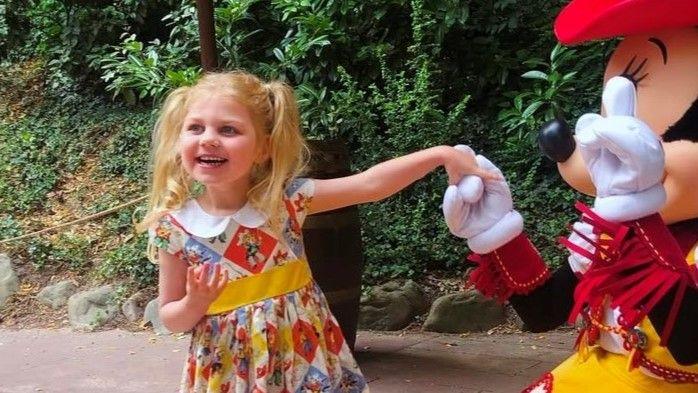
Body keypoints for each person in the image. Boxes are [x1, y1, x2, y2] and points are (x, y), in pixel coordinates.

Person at [136, 70, 497, 393]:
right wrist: (194, 303)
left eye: (228, 129)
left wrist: (440, 154)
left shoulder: (282, 203)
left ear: (263, 148)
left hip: (303, 360)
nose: (209, 138)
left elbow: (369, 184)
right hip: (230, 370)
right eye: (195, 127)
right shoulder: (175, 228)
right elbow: (170, 316)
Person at [442, 0, 698, 391]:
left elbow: (688, 343)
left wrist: (638, 221)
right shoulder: (613, 233)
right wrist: (499, 235)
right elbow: (545, 311)